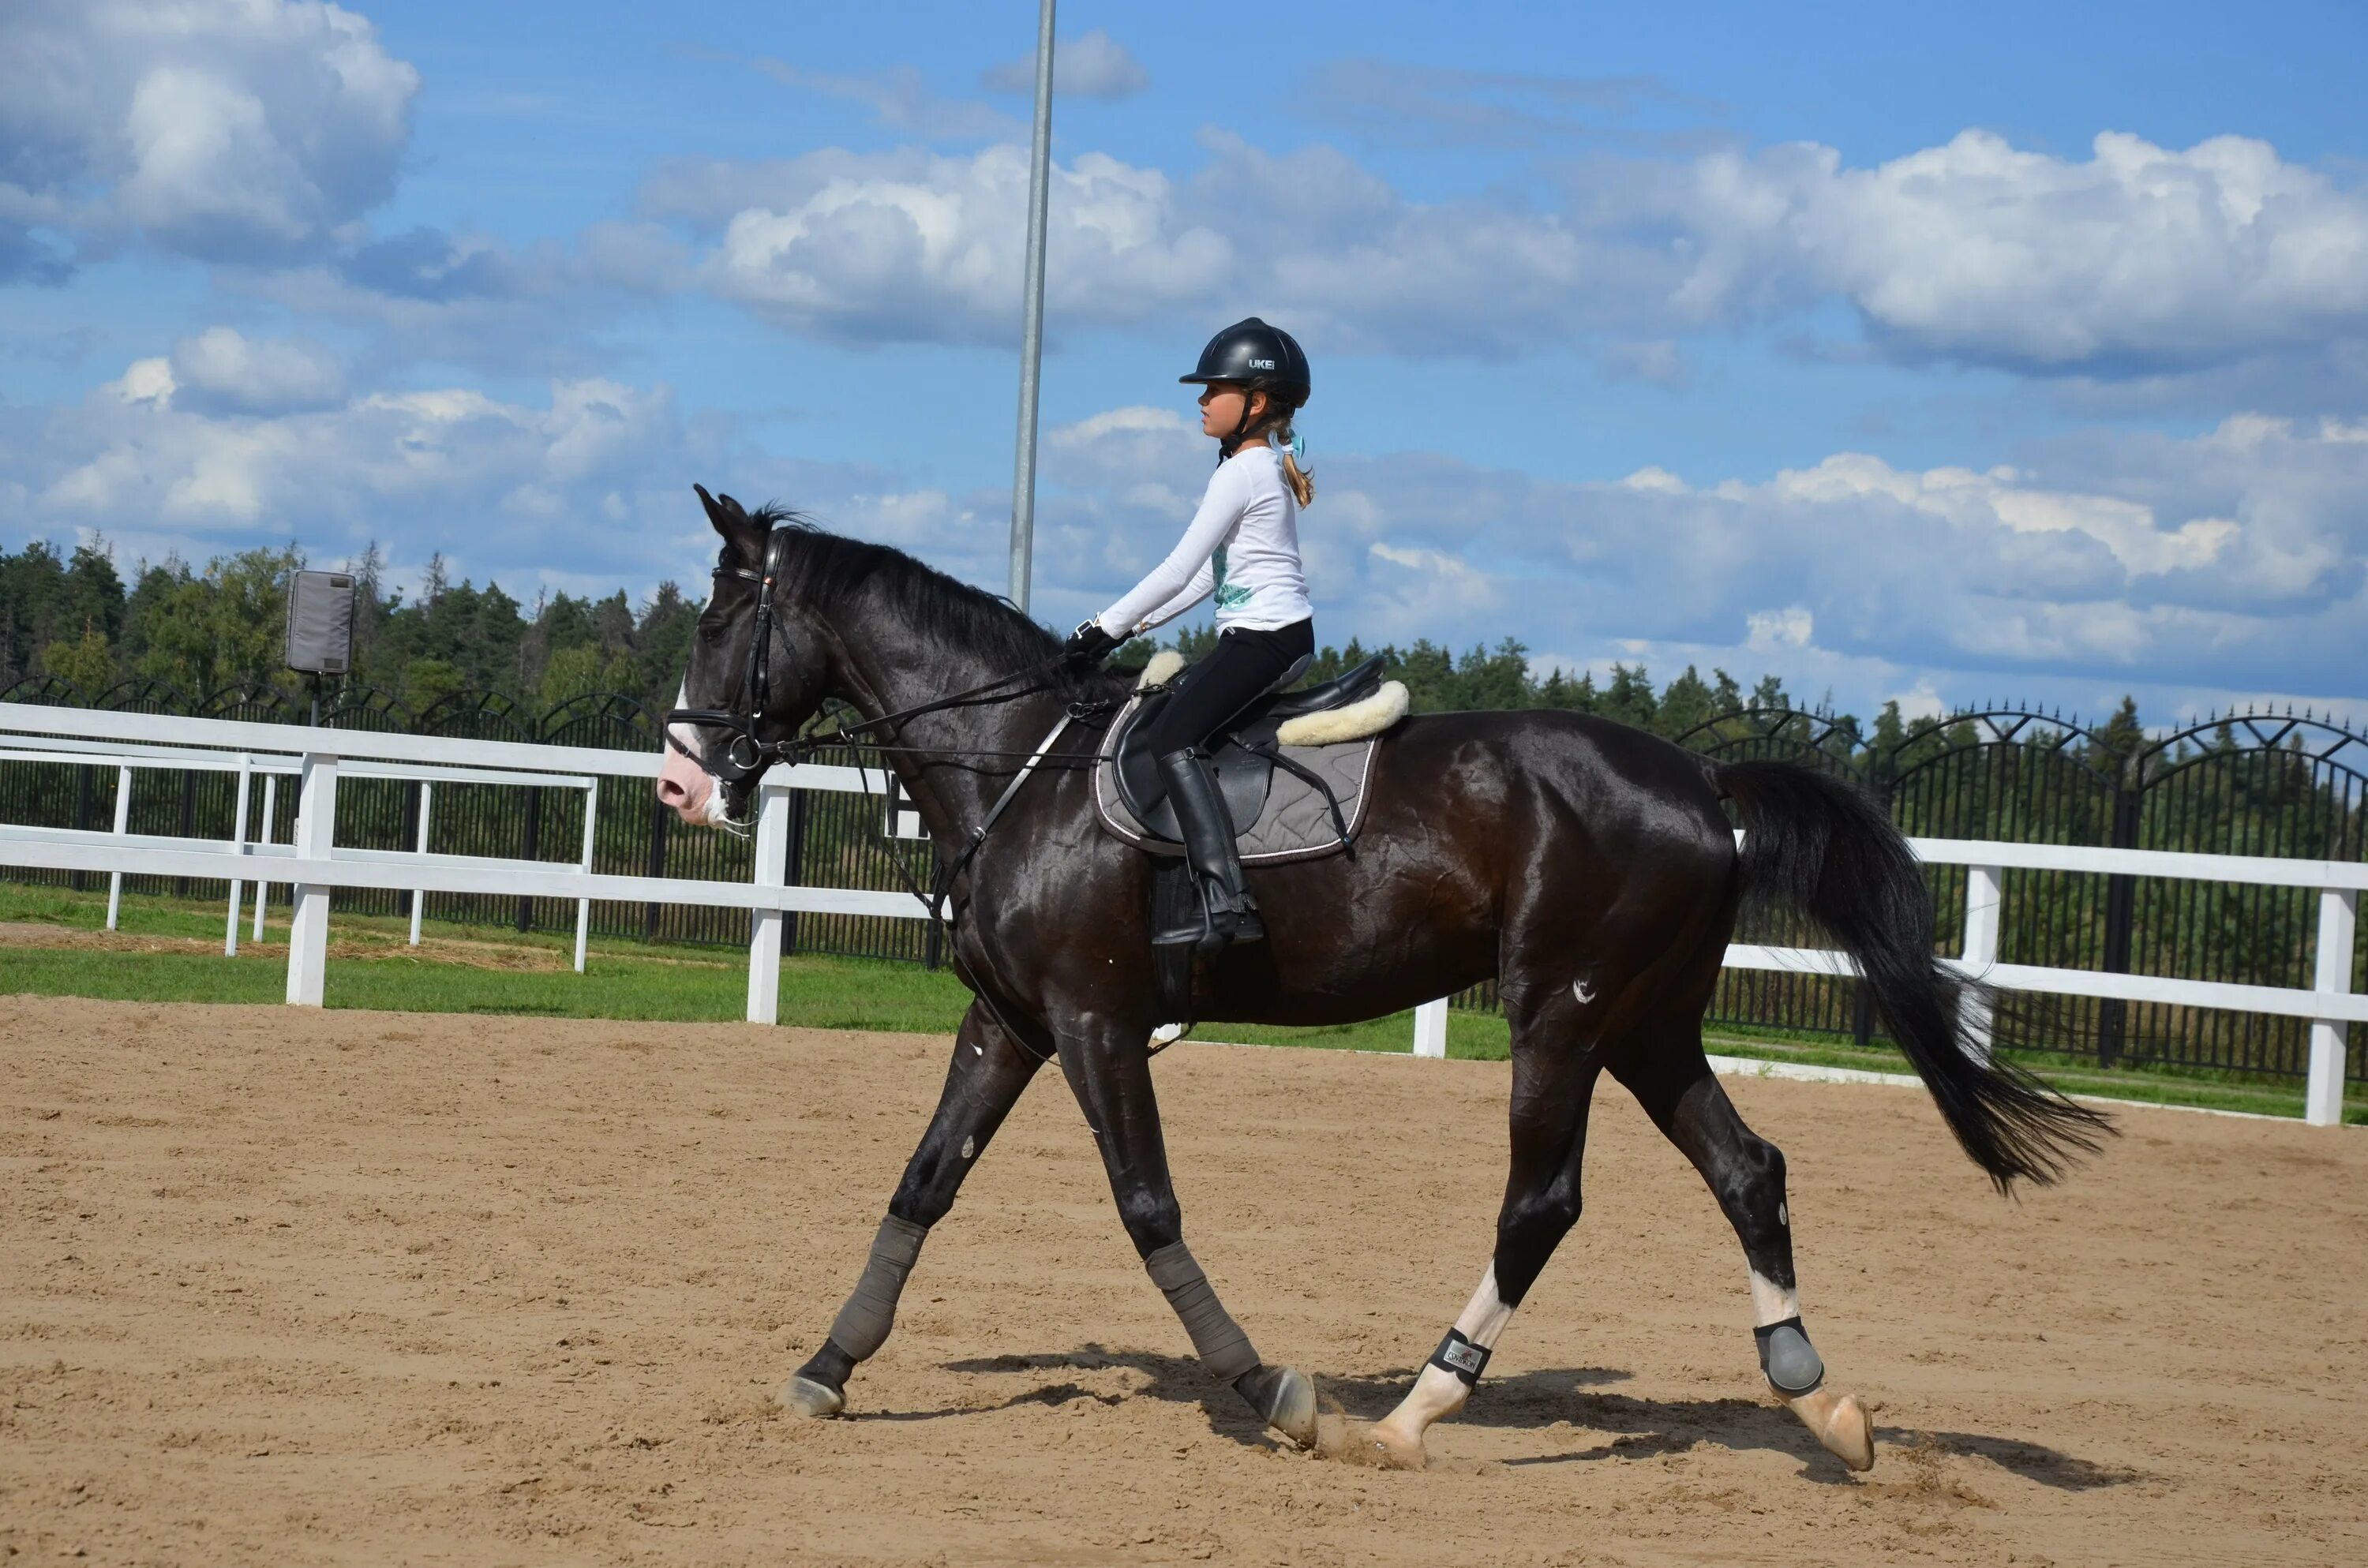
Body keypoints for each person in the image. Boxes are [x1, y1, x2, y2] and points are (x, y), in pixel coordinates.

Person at [1062, 317, 1317, 953]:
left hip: (1266, 640)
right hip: (1269, 636)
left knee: (1173, 733)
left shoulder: (1242, 471)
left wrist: (1101, 628)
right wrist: (1140, 624)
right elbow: (1208, 575)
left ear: (1255, 402)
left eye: (1215, 389)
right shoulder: (1257, 467)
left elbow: (1177, 566)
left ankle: (1229, 901)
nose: (1201, 400)